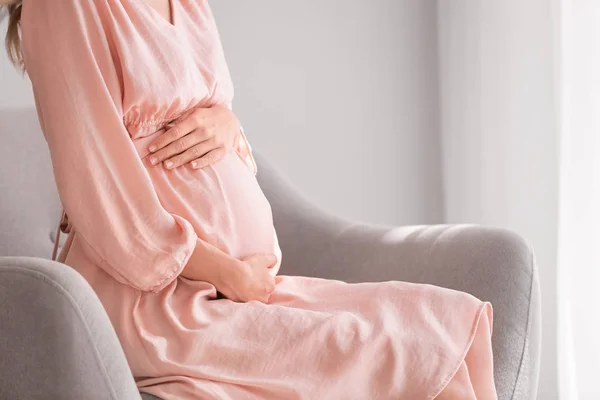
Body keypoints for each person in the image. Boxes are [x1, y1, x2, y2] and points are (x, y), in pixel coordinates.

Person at [2, 0, 498, 398]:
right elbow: (98, 185)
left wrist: (230, 126)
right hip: (154, 301)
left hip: (231, 287)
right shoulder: (63, 7)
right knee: (401, 352)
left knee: (440, 325)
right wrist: (225, 272)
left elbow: (215, 122)